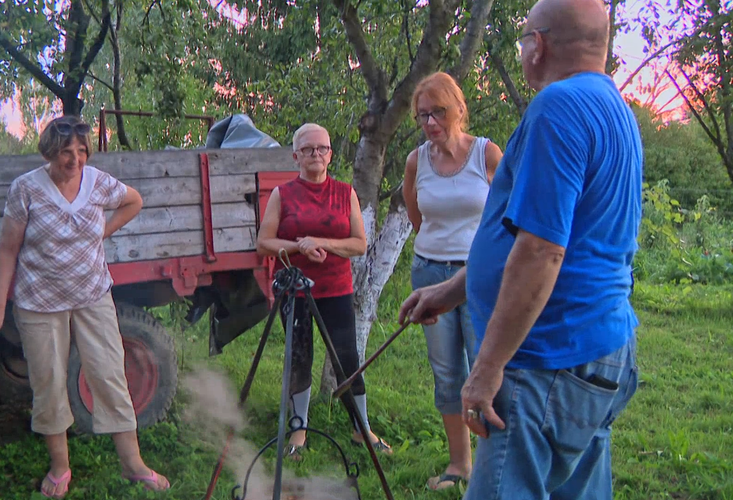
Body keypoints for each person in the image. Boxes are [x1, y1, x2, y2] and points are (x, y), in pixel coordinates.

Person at [399, 0, 642, 497]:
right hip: (600, 348)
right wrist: (452, 290)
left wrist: (486, 369)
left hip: (547, 359)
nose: (524, 48)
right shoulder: (614, 107)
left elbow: (542, 252)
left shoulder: (558, 107)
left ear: (541, 44)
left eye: (524, 38)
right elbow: (540, 236)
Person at [0, 115, 170, 498]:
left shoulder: (98, 182)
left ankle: (133, 465)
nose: (75, 159)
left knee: (110, 376)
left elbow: (134, 201)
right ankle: (60, 467)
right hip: (39, 302)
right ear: (50, 151)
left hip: (92, 296)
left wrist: (104, 229)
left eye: (82, 151)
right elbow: (7, 250)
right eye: (66, 151)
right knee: (48, 382)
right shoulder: (26, 189)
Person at [256, 123, 391, 459]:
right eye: (308, 150)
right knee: (299, 357)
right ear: (295, 156)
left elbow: (359, 244)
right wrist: (300, 248)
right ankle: (298, 431)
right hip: (295, 289)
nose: (316, 155)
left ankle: (362, 429)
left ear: (330, 154)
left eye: (322, 149)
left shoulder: (345, 193)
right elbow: (263, 243)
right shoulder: (282, 194)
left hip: (335, 289)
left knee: (347, 358)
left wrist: (323, 243)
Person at [402, 71, 502, 491]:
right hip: (430, 274)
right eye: (422, 115)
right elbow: (416, 216)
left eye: (437, 112)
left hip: (478, 277)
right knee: (446, 373)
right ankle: (460, 464)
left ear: (458, 108)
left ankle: (494, 464)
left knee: (486, 367)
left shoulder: (486, 154)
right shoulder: (416, 161)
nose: (430, 123)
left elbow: (506, 215)